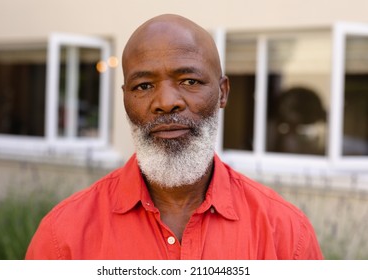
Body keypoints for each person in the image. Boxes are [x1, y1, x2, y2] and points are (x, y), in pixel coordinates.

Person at [25, 14, 323, 260]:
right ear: (125, 98)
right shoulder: (62, 237)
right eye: (143, 86)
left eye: (189, 81)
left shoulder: (286, 235)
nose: (166, 102)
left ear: (223, 93)